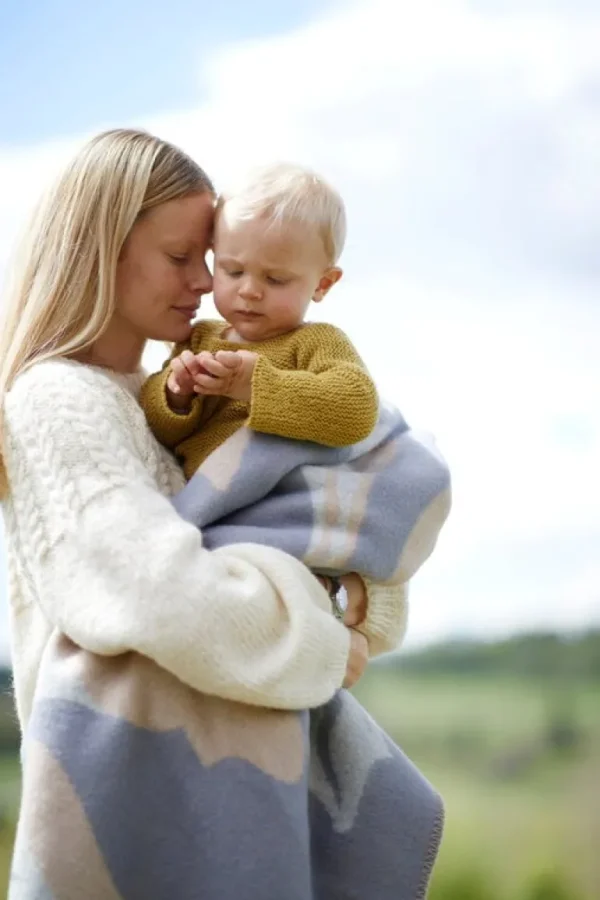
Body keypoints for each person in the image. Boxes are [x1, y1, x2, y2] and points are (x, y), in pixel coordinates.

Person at [0, 129, 446, 899]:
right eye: (184, 258)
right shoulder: (56, 398)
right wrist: (323, 640)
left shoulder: (154, 391)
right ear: (101, 248)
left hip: (200, 780)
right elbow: (160, 594)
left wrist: (358, 599)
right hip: (129, 796)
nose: (209, 285)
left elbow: (296, 521)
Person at [139, 162, 379, 478]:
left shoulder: (316, 342)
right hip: (209, 504)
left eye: (276, 279)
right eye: (233, 271)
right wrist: (175, 395)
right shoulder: (198, 340)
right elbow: (160, 432)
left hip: (280, 503)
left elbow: (356, 410)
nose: (249, 291)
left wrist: (253, 384)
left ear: (322, 284)